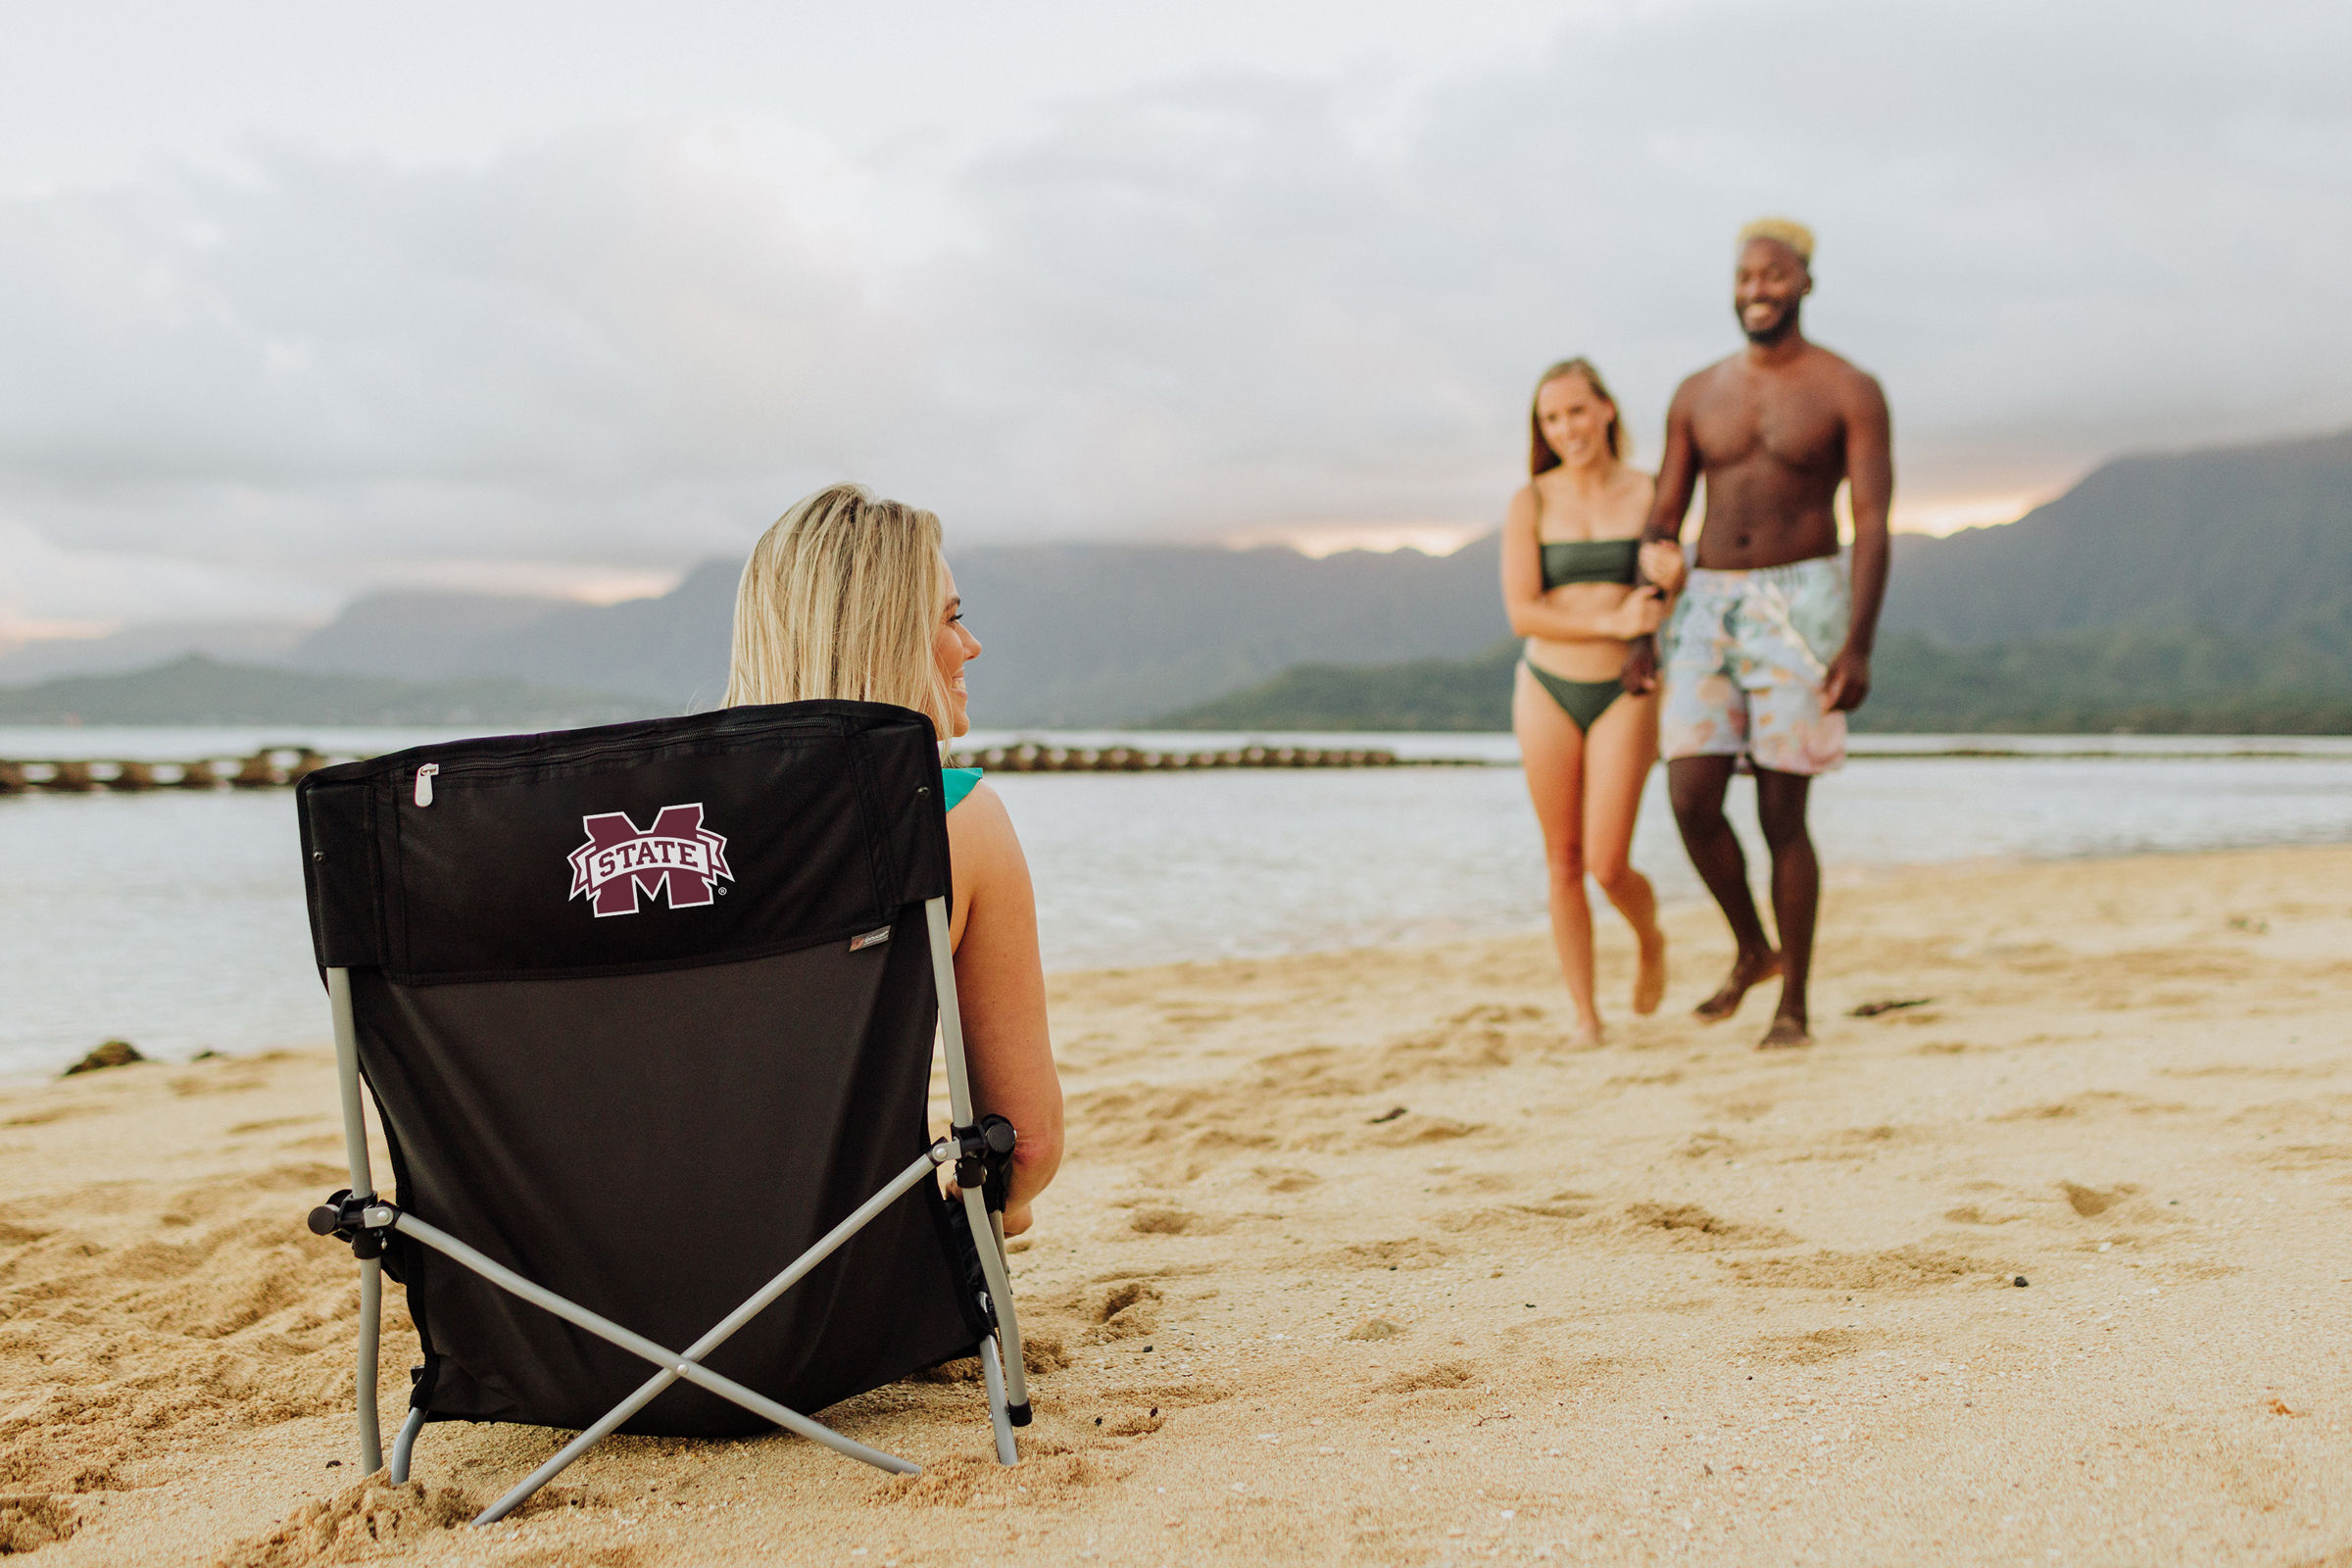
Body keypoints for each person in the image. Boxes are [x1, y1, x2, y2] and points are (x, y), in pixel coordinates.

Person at [724, 482, 1065, 1231]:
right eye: (951, 619)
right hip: (841, 1294)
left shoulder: (655, 841)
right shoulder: (954, 819)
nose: (970, 645)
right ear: (884, 635)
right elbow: (1027, 1147)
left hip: (586, 1315)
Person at [1625, 218, 1892, 1050]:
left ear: (1805, 283)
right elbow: (1665, 515)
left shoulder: (1849, 388)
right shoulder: (1696, 392)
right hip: (1706, 604)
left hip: (1805, 599)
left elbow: (1874, 522)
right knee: (1690, 795)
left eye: (1774, 276)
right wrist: (1643, 625)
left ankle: (1794, 1007)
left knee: (1784, 812)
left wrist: (1858, 642)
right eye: (1746, 277)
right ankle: (1751, 947)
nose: (1757, 291)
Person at [1501, 359, 1672, 1046]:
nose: (1566, 428)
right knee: (1563, 862)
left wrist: (1674, 577)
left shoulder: (1652, 491)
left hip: (1625, 692)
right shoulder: (1531, 501)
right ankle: (1585, 1017)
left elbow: (1665, 596)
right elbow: (1522, 613)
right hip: (1545, 687)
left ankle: (1650, 937)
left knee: (1607, 862)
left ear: (1605, 410)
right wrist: (1609, 622)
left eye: (1576, 410)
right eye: (1551, 418)